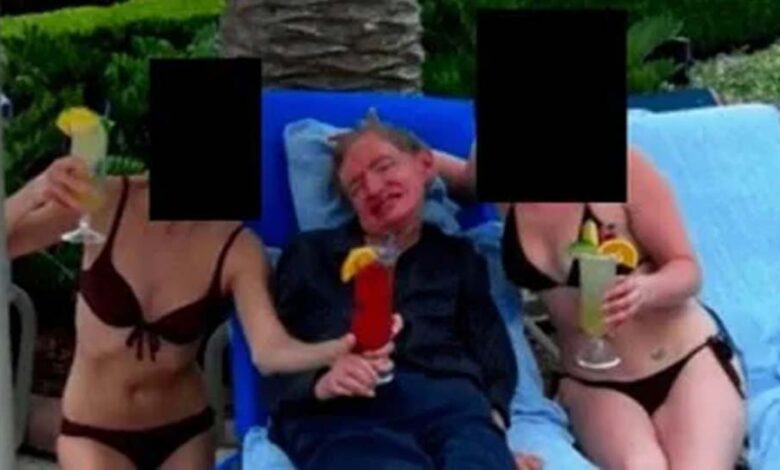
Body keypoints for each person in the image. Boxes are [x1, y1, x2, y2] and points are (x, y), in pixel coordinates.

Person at [6, 155, 382, 470]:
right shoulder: (105, 200)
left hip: (182, 432)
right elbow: (9, 243)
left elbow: (269, 350)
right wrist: (35, 192)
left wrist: (334, 351)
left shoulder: (237, 246)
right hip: (93, 430)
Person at [435, 144, 748, 469]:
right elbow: (461, 179)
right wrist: (405, 150)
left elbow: (687, 269)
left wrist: (646, 289)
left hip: (684, 362)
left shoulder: (625, 166)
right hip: (595, 384)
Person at [263, 112, 533, 470]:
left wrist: (492, 428)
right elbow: (277, 352)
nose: (373, 188)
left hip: (451, 405)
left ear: (425, 165)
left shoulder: (458, 257)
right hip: (344, 412)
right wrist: (318, 382)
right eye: (356, 187)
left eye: (384, 166)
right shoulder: (311, 254)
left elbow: (491, 347)